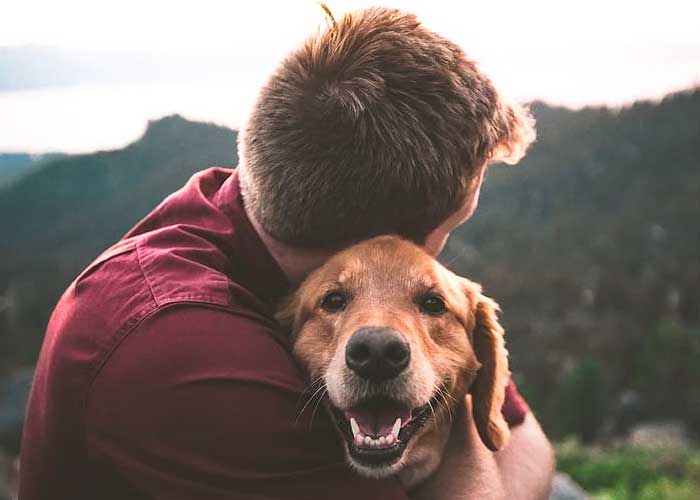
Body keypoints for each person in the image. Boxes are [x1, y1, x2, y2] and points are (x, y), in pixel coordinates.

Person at [19, 7, 554, 500]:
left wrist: (453, 393)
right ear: (385, 240)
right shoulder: (185, 352)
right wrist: (454, 410)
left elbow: (529, 441)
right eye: (454, 224)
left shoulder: (254, 210)